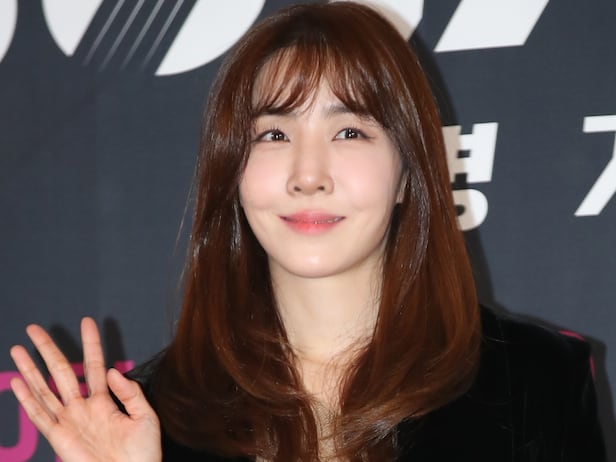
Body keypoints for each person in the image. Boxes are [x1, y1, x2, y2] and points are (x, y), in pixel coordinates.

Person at [8, 2, 606, 461]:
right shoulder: (151, 415)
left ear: (409, 174)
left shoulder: (533, 380)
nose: (308, 175)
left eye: (350, 132)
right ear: (231, 172)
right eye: (274, 134)